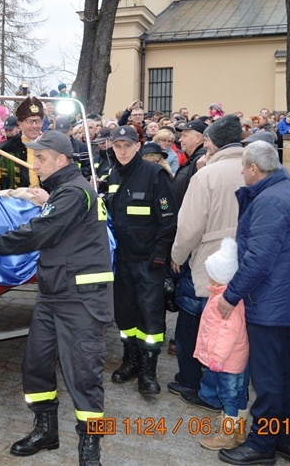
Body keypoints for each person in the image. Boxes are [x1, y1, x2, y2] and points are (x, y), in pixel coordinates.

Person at [0, 130, 113, 465]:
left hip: (80, 297)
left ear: (61, 160)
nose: (35, 165)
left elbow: (40, 232)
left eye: (42, 158)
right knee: (35, 364)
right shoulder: (66, 190)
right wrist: (47, 200)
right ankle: (46, 430)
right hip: (55, 293)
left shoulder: (74, 192)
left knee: (85, 374)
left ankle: (92, 446)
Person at [217, 140, 290, 465]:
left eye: (244, 167)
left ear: (254, 169)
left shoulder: (271, 200)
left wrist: (231, 295)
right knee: (282, 374)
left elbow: (258, 260)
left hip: (270, 301)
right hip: (279, 298)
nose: (242, 172)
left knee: (267, 379)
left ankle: (262, 445)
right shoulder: (281, 192)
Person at [169, 115, 245, 405]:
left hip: (209, 265)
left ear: (212, 141)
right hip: (244, 263)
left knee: (192, 324)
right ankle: (224, 390)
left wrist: (177, 256)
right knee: (232, 331)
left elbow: (189, 226)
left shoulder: (207, 175)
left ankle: (192, 383)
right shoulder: (255, 170)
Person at [105, 125, 177, 396]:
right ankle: (130, 361)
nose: (122, 151)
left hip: (148, 261)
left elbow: (168, 219)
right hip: (122, 259)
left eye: (128, 146)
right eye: (118, 146)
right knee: (125, 313)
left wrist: (160, 253)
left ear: (138, 146)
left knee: (150, 316)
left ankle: (148, 370)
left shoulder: (155, 174)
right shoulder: (113, 175)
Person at [194, 238, 249, 452]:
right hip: (235, 358)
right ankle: (239, 430)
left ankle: (227, 435)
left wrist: (217, 358)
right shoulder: (226, 295)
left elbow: (228, 332)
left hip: (226, 361)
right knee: (239, 393)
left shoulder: (223, 301)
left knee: (229, 396)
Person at [0, 96, 45, 190]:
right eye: (29, 121)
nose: (34, 126)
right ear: (20, 124)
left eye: (38, 121)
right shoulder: (8, 148)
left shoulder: (51, 146)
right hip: (17, 198)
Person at [172, 120, 208, 208]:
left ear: (198, 138)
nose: (180, 139)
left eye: (184, 136)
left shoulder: (201, 160)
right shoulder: (193, 159)